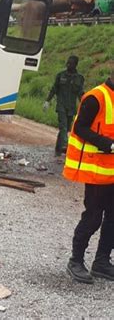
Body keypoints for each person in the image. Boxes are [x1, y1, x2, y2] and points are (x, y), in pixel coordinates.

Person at [64, 66, 114, 283]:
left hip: (112, 172)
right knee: (93, 217)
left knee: (113, 218)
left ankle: (101, 262)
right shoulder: (96, 97)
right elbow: (79, 128)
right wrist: (107, 144)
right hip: (95, 171)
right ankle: (76, 261)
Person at [44, 56, 84, 156]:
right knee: (63, 127)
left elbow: (81, 93)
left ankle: (58, 149)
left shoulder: (79, 78)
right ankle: (65, 146)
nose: (68, 65)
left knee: (66, 128)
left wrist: (84, 105)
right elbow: (54, 89)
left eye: (71, 63)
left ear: (75, 65)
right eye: (67, 63)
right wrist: (47, 101)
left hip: (71, 108)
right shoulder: (60, 75)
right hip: (61, 105)